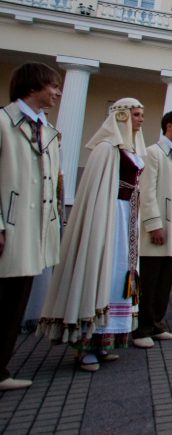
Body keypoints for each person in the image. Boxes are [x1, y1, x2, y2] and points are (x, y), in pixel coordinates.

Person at [39, 98, 146, 373]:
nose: (140, 119)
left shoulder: (131, 151)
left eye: (142, 114)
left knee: (120, 277)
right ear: (121, 116)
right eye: (135, 114)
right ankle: (86, 345)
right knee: (101, 275)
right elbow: (97, 193)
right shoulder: (105, 149)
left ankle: (105, 341)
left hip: (127, 220)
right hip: (108, 220)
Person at [0, 63, 62, 391]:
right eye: (52, 86)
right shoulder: (3, 122)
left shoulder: (46, 130)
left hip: (32, 229)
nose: (57, 92)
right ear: (32, 86)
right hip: (9, 228)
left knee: (15, 301)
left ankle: (2, 368)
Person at [133, 110, 172, 349]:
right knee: (150, 279)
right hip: (158, 228)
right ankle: (142, 328)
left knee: (165, 280)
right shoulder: (153, 153)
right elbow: (146, 193)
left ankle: (157, 324)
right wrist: (153, 224)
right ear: (168, 126)